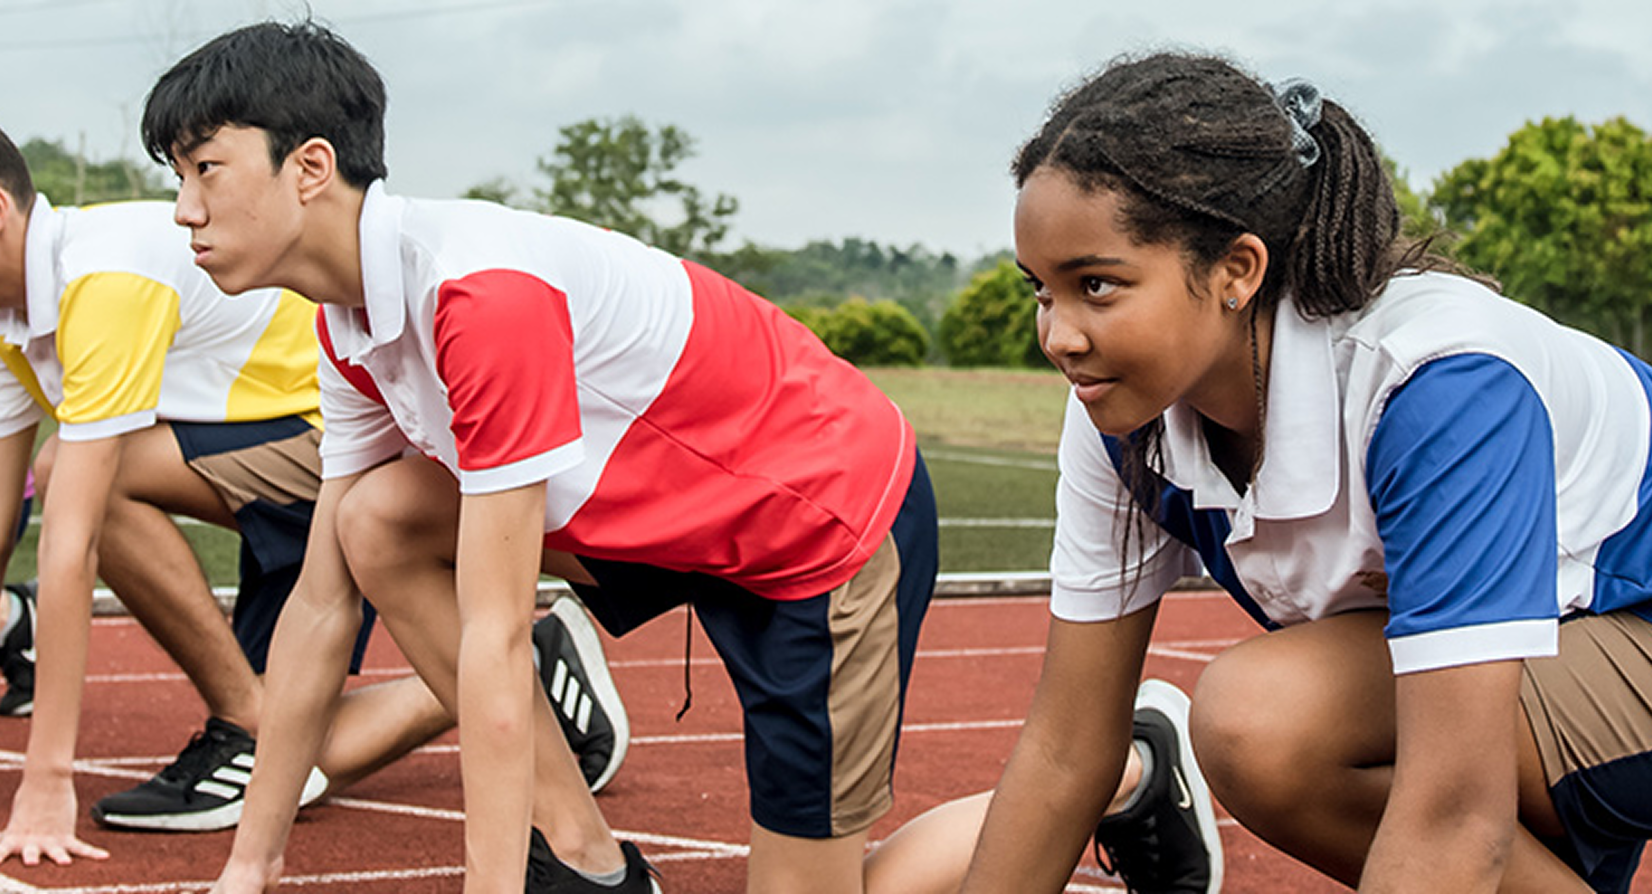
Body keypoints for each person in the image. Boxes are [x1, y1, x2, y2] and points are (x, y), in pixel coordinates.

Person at [141, 19, 937, 894]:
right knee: (374, 520)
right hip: (666, 512)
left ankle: (1107, 795)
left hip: (823, 521)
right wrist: (248, 868)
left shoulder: (480, 298)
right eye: (177, 178)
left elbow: (495, 631)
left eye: (205, 169)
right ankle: (584, 861)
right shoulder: (347, 327)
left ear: (311, 168)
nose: (184, 209)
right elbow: (322, 604)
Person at [949, 51, 1652, 894]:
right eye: (1041, 292)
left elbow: (1454, 810)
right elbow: (1068, 749)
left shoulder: (1437, 385)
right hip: (1564, 638)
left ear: (1237, 270)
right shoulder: (1121, 418)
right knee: (1271, 721)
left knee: (1268, 721)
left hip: (1628, 622)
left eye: (1096, 286)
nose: (1058, 336)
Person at [0, 126, 627, 867]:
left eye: (203, 176)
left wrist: (46, 782)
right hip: (253, 454)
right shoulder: (15, 318)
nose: (186, 210)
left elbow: (68, 546)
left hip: (332, 440)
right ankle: (543, 664)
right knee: (303, 745)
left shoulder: (102, 278)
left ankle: (244, 716)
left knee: (90, 479)